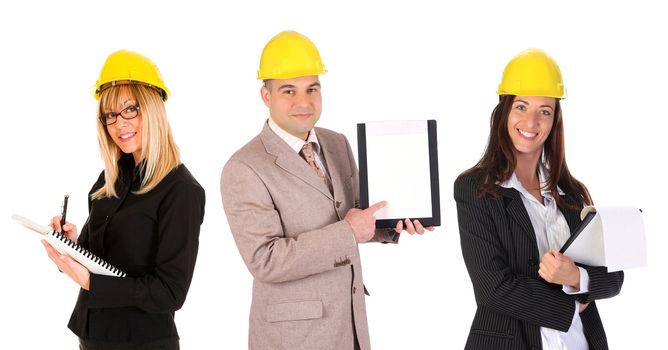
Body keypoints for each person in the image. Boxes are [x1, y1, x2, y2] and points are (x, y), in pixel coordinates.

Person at [220, 31, 433, 350]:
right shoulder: (244, 167)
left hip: (350, 325)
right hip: (292, 338)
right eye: (288, 90)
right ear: (266, 96)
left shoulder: (336, 144)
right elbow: (266, 260)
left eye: (312, 89)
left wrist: (395, 221)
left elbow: (359, 215)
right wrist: (348, 232)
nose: (303, 102)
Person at [454, 48, 624, 350]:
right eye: (521, 107)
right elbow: (492, 288)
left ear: (554, 119)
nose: (531, 122)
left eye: (544, 111)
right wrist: (574, 303)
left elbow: (613, 277)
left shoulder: (572, 193)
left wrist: (574, 276)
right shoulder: (475, 189)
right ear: (504, 111)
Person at [42, 50, 205, 350]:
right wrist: (72, 245)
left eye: (131, 109)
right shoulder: (110, 180)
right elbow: (99, 259)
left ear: (153, 107)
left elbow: (170, 292)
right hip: (91, 336)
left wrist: (92, 283)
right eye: (110, 115)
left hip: (142, 342)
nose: (119, 124)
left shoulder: (181, 190)